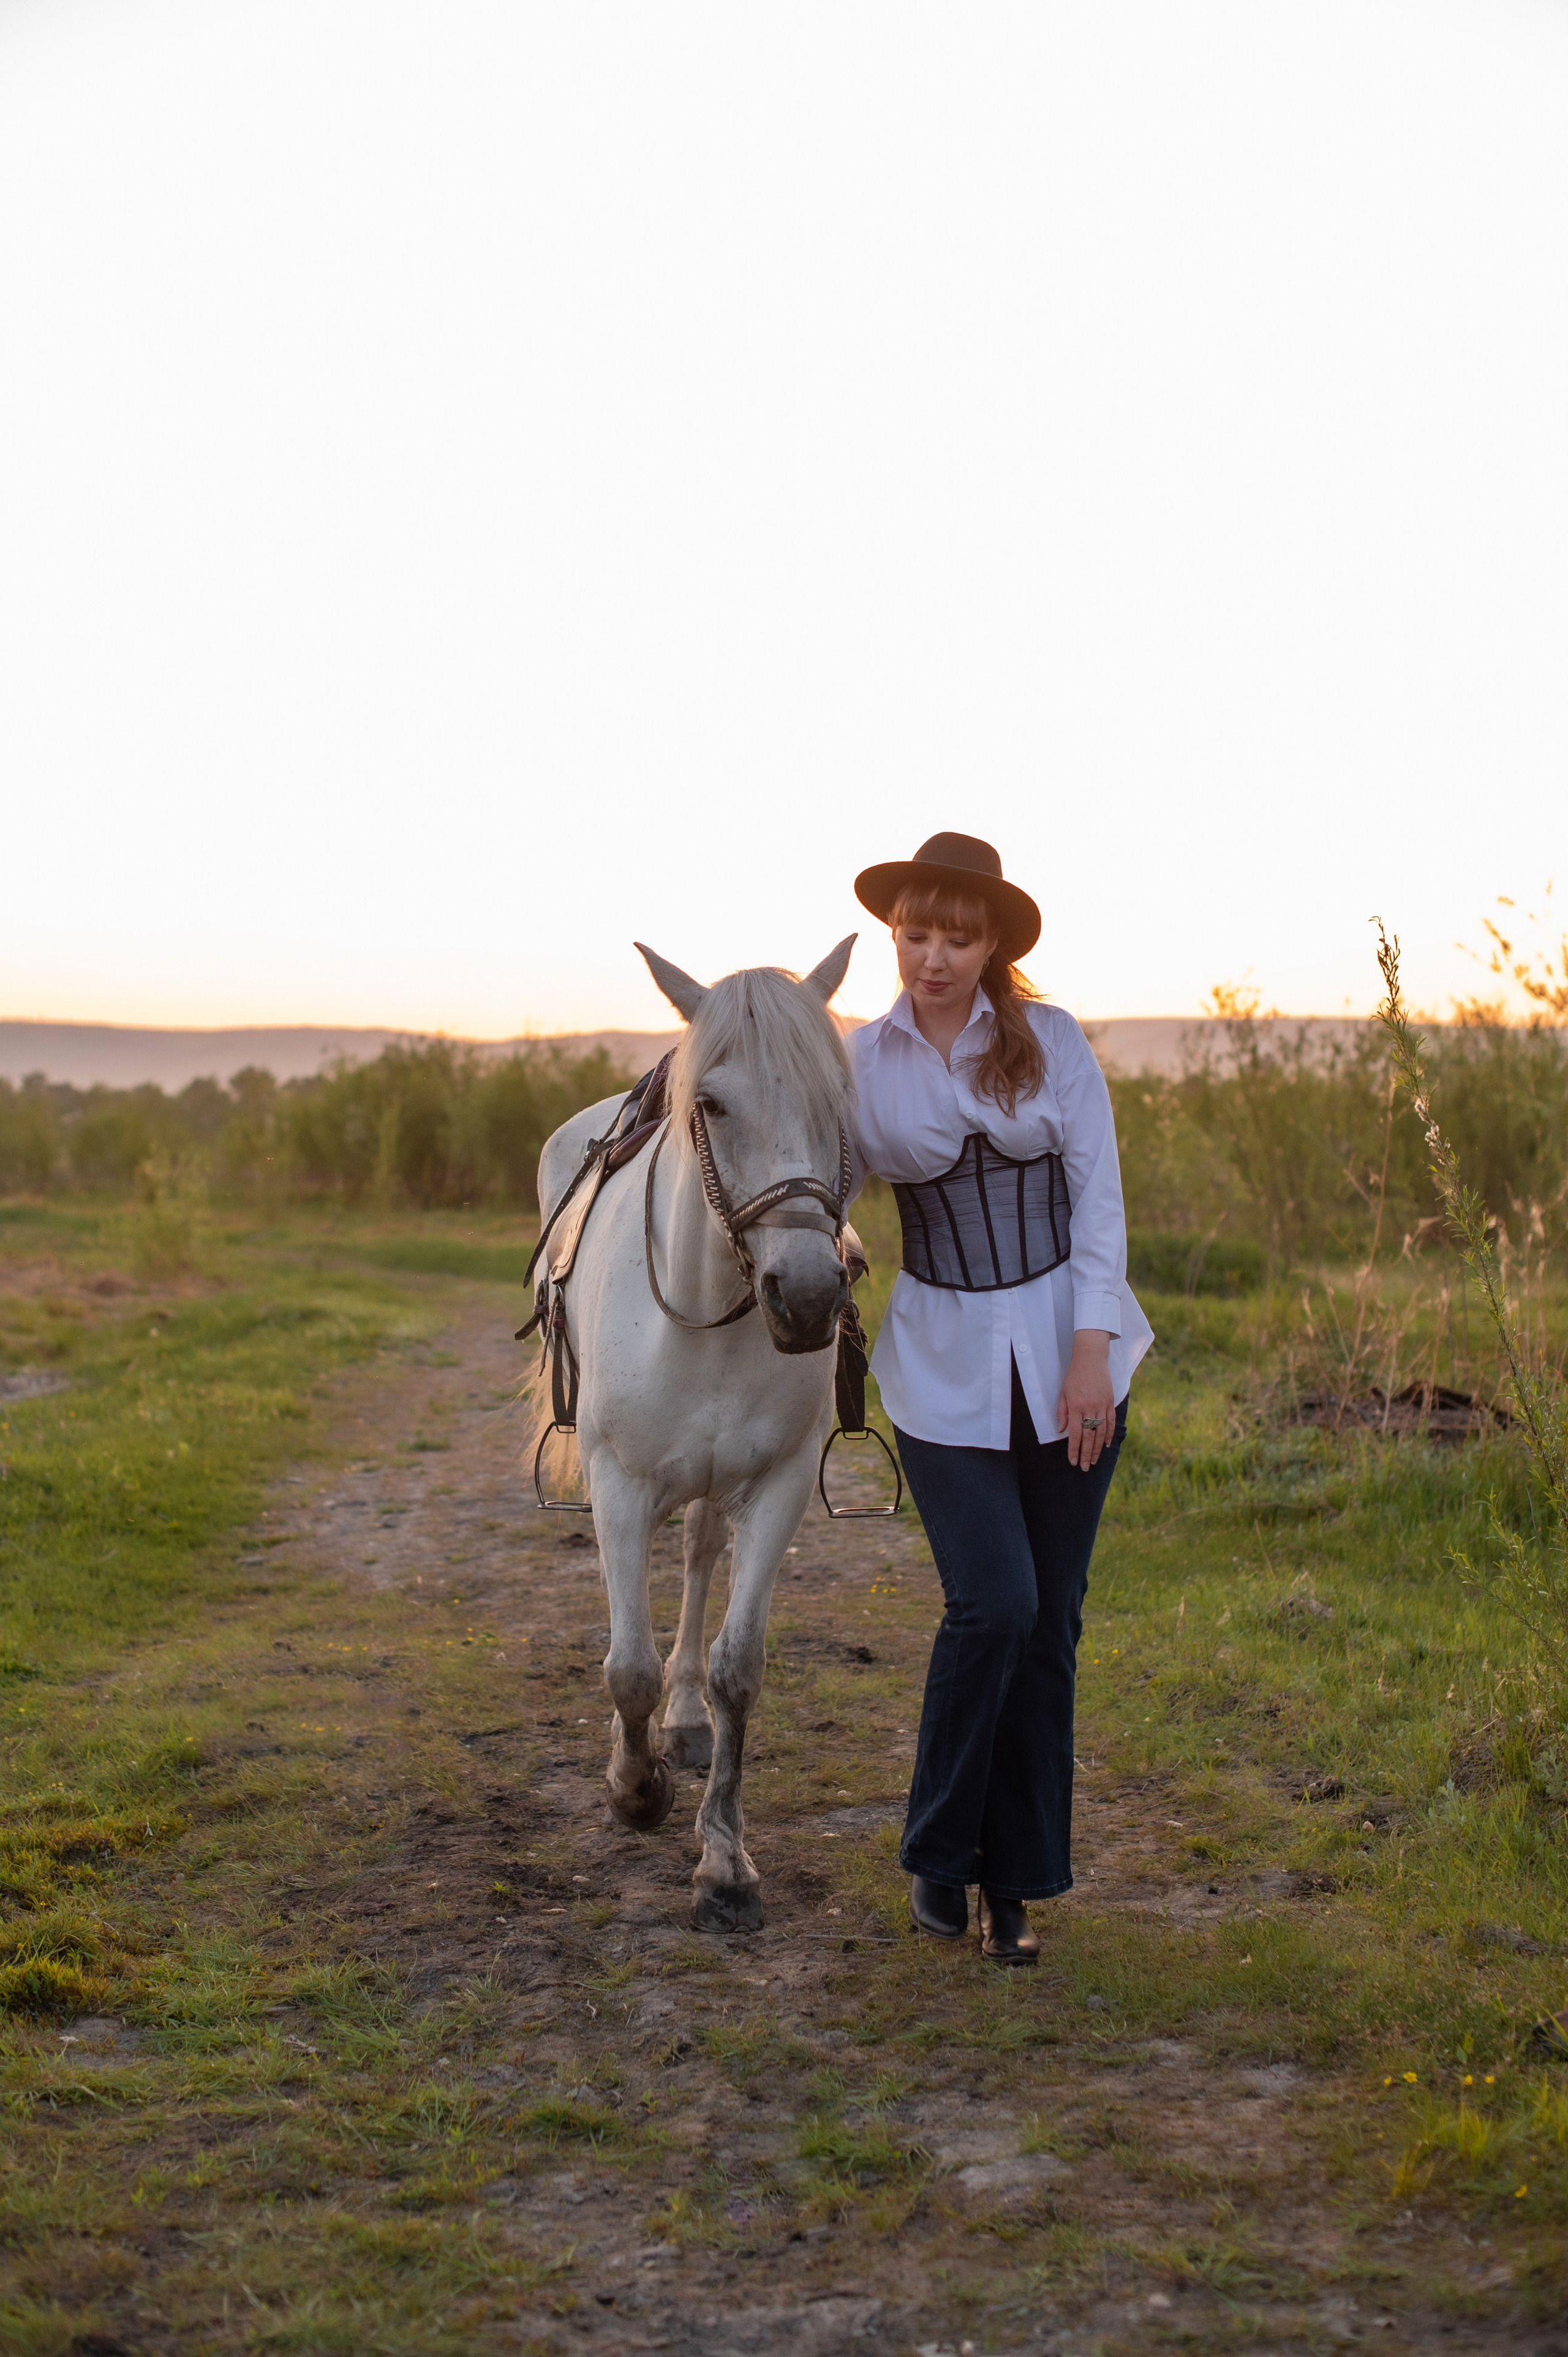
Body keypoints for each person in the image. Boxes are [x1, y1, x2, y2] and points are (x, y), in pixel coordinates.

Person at [848, 832, 1152, 1964]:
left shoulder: (1052, 1043)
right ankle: (939, 1851)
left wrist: (1092, 1351)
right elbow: (822, 1182)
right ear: (896, 934)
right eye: (916, 933)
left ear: (993, 946)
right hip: (938, 1367)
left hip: (1072, 1358)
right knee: (995, 1605)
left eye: (957, 937)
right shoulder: (860, 1063)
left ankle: (1014, 1886)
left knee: (1050, 1628)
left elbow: (1100, 1207)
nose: (932, 956)